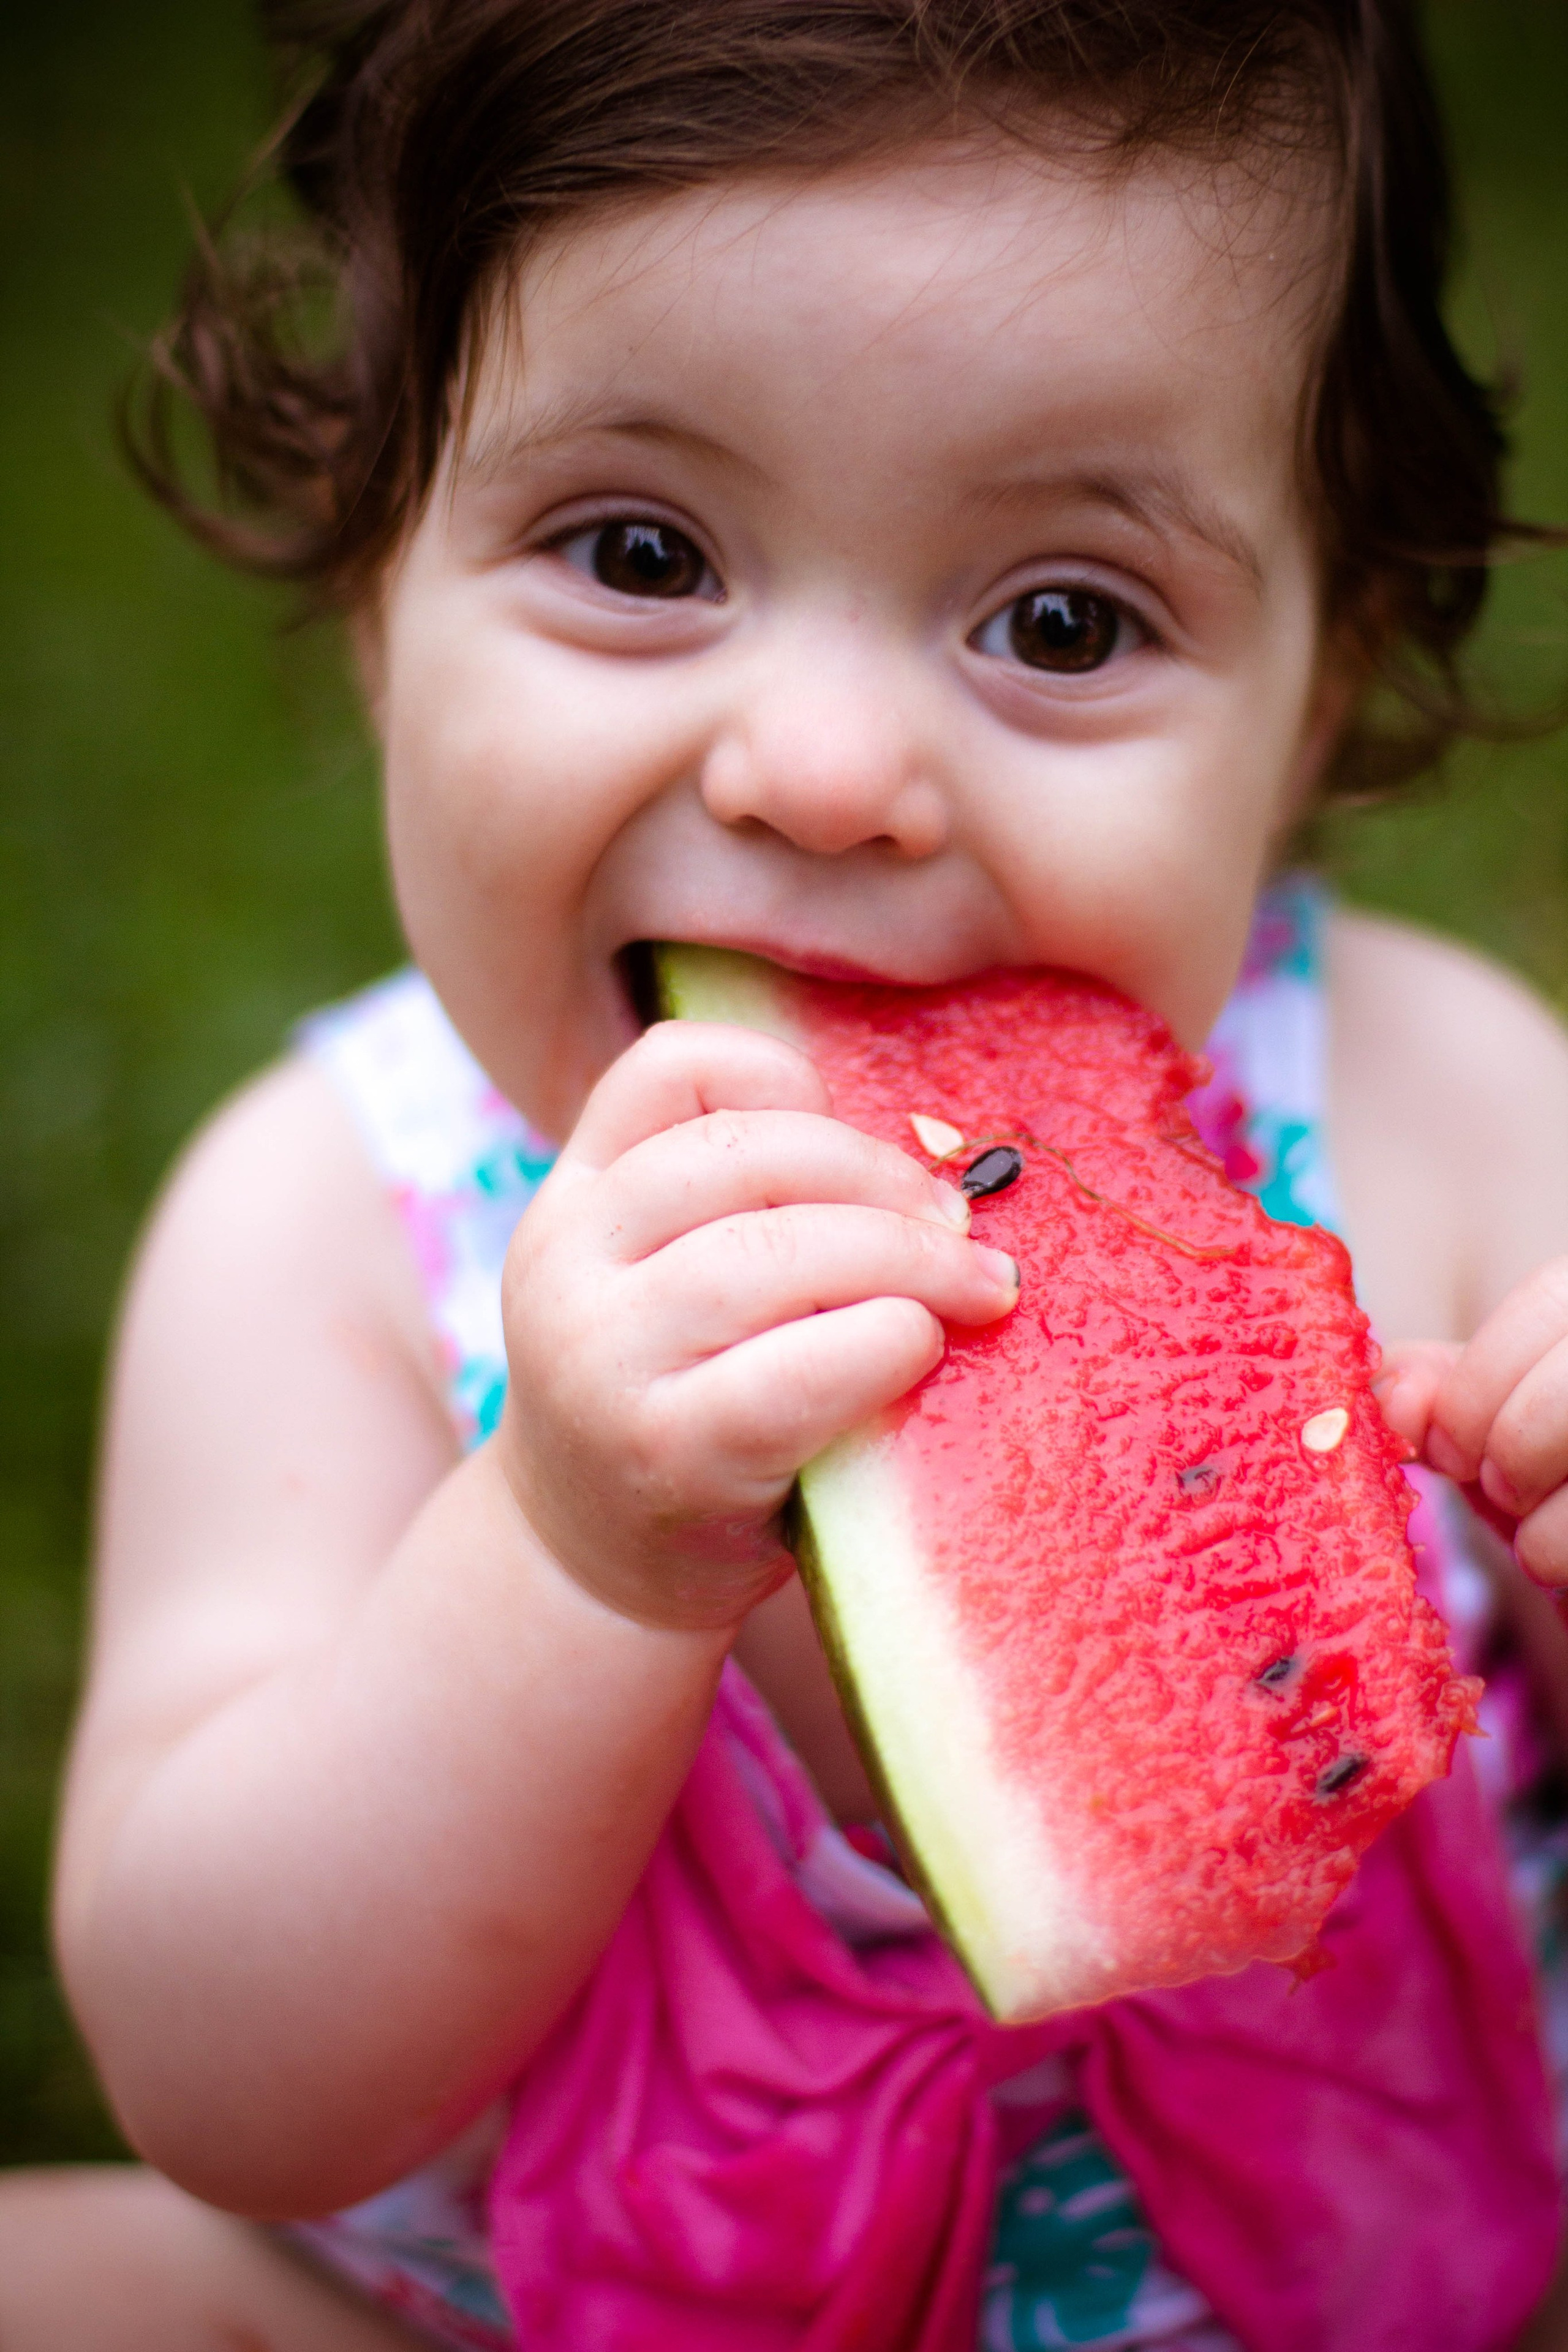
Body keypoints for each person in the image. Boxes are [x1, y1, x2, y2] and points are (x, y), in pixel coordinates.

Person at [4, 1, 1568, 2344]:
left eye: (1062, 618)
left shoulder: (1444, 1101)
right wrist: (566, 1562)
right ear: (374, 599)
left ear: (1317, 693)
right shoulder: (323, 1227)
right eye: (641, 550)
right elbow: (227, 2083)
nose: (826, 772)